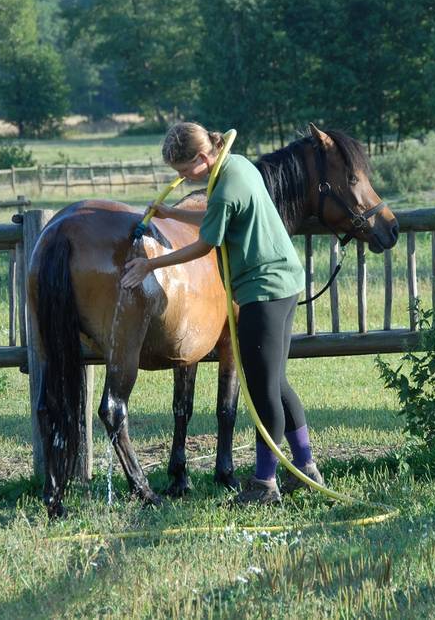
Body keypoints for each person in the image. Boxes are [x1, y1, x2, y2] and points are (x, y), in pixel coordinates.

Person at [120, 121, 325, 505]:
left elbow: (205, 244)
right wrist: (171, 213)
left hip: (263, 291)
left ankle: (264, 484)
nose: (183, 178)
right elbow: (218, 216)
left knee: (263, 389)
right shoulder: (236, 166)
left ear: (201, 157)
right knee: (277, 382)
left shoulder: (227, 184)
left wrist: (151, 264)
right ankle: (306, 467)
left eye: (184, 171)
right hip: (283, 283)